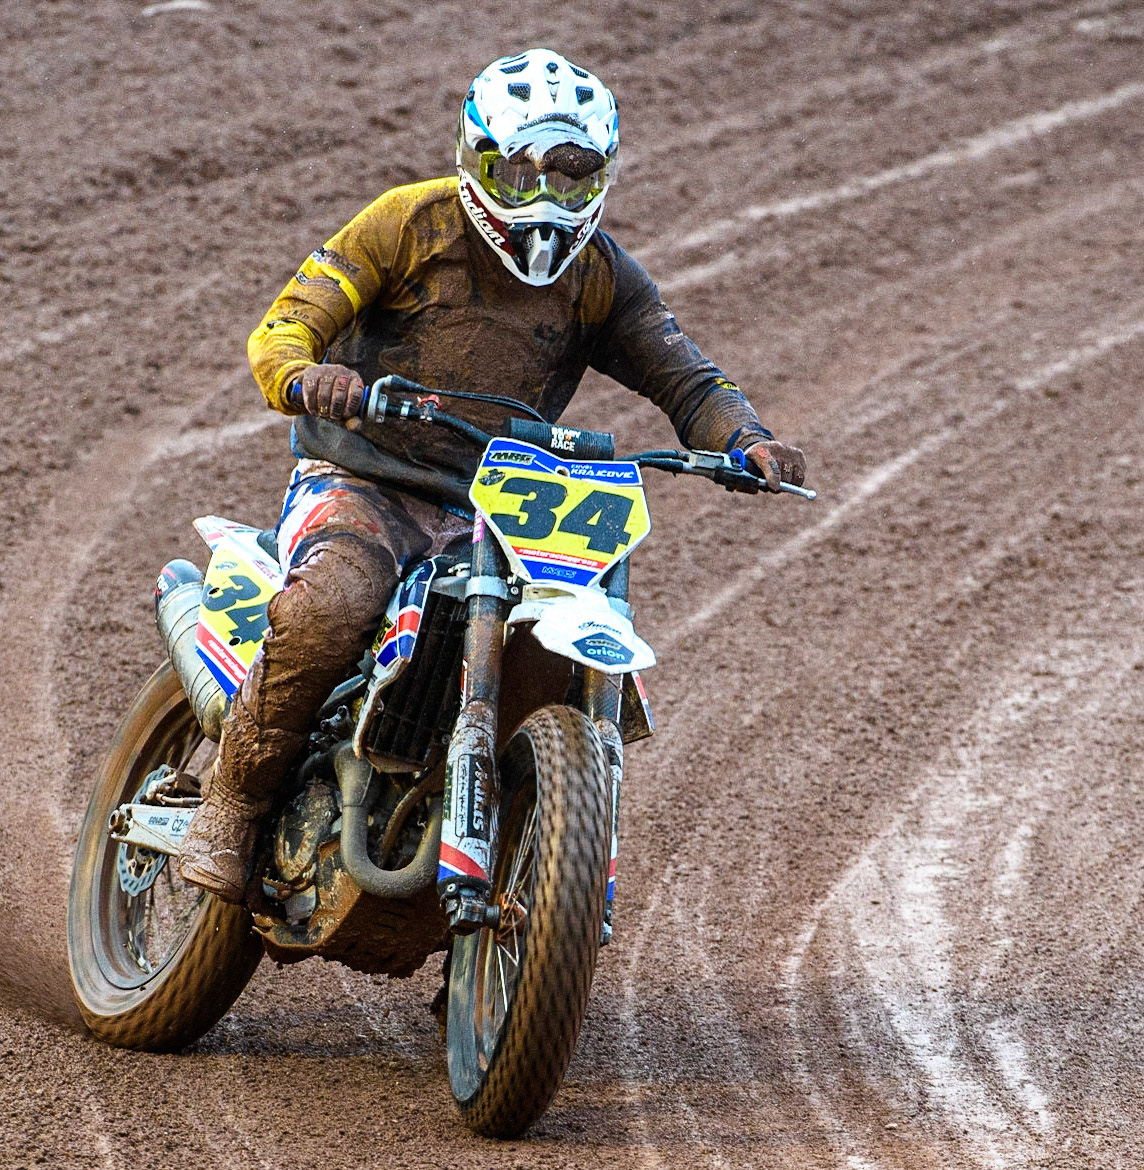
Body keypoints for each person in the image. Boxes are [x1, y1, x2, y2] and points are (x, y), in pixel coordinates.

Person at [177, 48, 806, 902]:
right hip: (367, 479)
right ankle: (232, 802)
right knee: (332, 608)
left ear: (603, 176)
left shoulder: (601, 278)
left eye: (571, 173)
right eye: (517, 173)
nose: (543, 199)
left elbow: (687, 378)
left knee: (562, 653)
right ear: (475, 160)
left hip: (505, 504)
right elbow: (286, 324)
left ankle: (520, 886)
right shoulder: (407, 223)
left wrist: (747, 438)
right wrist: (305, 372)